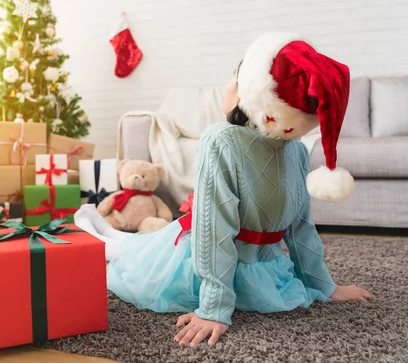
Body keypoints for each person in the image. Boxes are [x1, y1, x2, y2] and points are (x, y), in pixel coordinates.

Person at [74, 32, 373, 348]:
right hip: (194, 252)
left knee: (133, 246)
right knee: (127, 254)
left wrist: (324, 286)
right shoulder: (221, 139)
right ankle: (88, 223)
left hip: (250, 257)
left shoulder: (295, 151)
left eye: (235, 77)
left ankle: (99, 228)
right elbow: (212, 227)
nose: (227, 84)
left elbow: (300, 227)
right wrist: (214, 306)